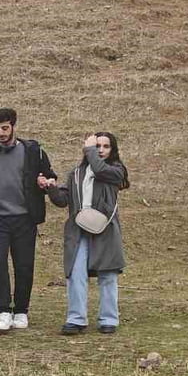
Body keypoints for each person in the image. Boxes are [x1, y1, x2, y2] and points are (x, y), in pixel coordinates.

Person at [0, 108, 58, 334]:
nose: (1, 133)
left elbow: (49, 176)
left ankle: (21, 310)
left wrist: (45, 182)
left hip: (24, 218)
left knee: (24, 265)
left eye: (5, 128)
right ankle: (3, 311)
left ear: (14, 126)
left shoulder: (33, 151)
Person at [48, 132, 129, 334]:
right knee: (76, 273)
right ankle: (76, 319)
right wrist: (51, 188)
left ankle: (109, 319)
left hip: (105, 229)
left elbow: (99, 169)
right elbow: (63, 200)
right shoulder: (76, 173)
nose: (100, 150)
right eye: (97, 146)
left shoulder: (115, 170)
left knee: (108, 275)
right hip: (78, 230)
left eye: (105, 146)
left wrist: (89, 149)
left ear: (113, 150)